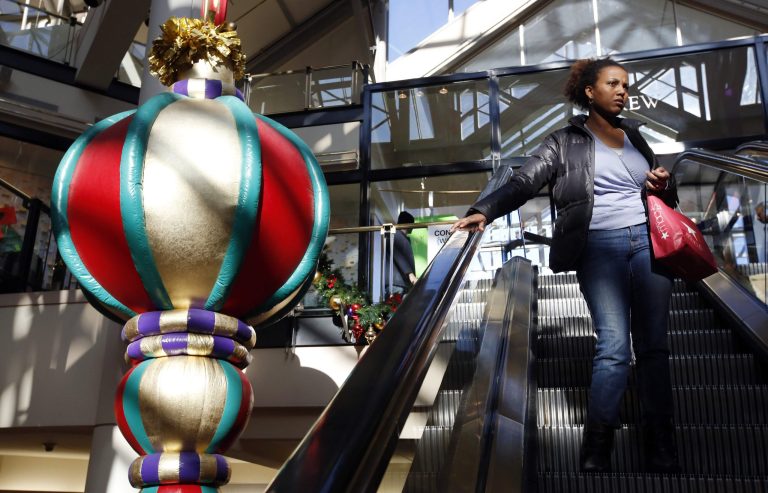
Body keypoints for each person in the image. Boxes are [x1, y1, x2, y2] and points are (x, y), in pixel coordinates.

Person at [451, 58, 680, 474]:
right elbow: (523, 182)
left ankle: (660, 445)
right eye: (613, 83)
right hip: (598, 247)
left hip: (648, 243)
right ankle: (597, 447)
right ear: (589, 91)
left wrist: (661, 183)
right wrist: (485, 209)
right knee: (613, 347)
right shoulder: (563, 141)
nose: (623, 91)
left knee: (654, 348)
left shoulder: (635, 136)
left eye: (626, 85)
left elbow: (663, 190)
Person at [390, 211, 417, 295]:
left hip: (401, 283)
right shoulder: (396, 235)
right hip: (398, 282)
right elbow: (398, 256)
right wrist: (410, 274)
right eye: (412, 224)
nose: (413, 227)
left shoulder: (401, 237)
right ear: (408, 224)